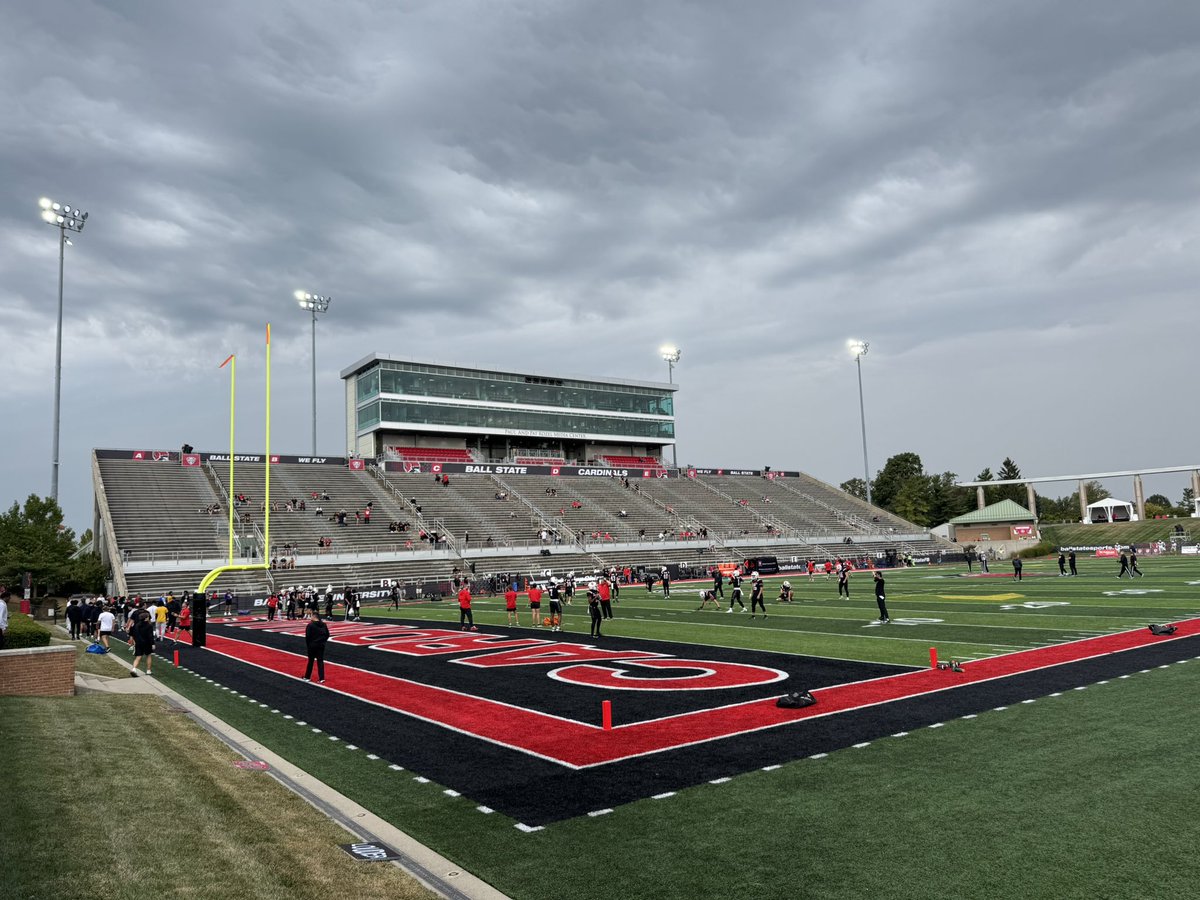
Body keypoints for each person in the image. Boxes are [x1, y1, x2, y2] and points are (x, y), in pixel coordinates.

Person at [303, 614, 330, 683]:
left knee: (311, 661)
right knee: (320, 661)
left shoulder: (310, 625)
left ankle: (307, 677)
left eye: (311, 616)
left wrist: (309, 645)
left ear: (314, 617)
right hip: (321, 645)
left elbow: (308, 637)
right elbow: (327, 634)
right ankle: (321, 678)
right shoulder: (324, 624)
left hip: (312, 645)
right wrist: (323, 642)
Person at [128, 611, 155, 676]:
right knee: (148, 656)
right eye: (148, 617)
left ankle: (134, 669)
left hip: (138, 643)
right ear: (146, 618)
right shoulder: (149, 626)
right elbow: (150, 636)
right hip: (147, 643)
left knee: (138, 657)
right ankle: (148, 670)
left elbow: (133, 634)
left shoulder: (136, 625)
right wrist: (153, 644)